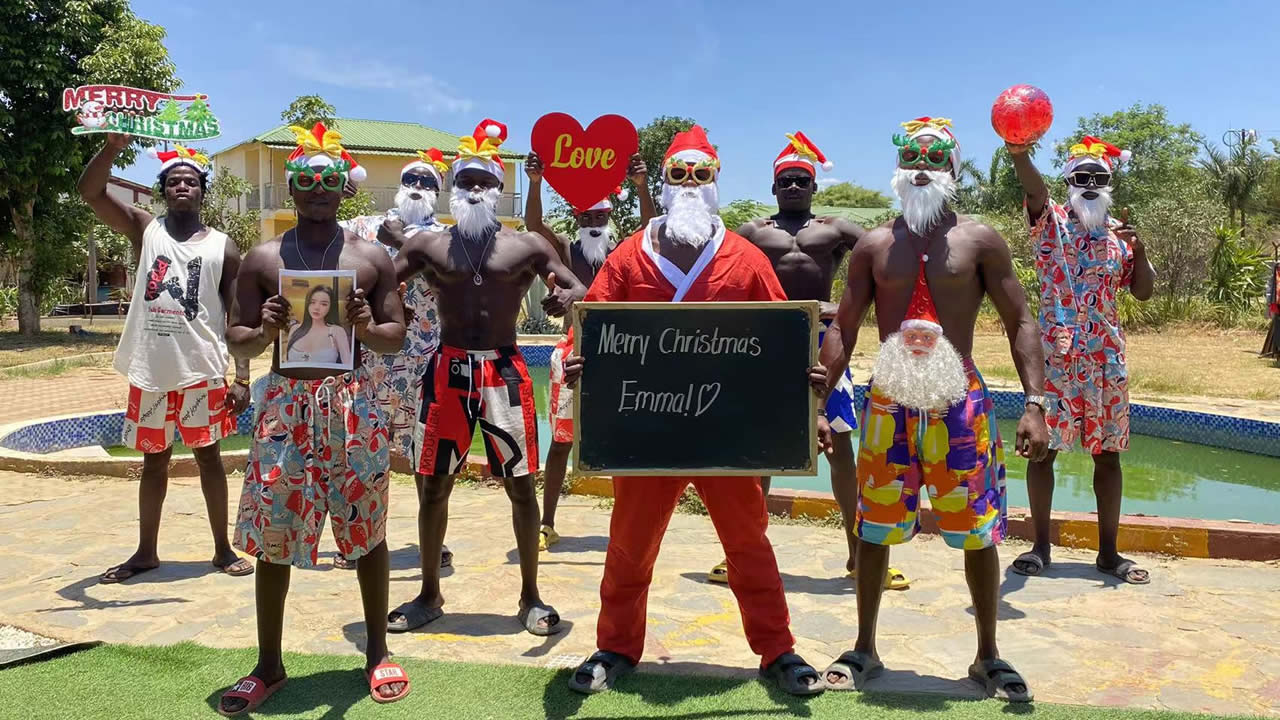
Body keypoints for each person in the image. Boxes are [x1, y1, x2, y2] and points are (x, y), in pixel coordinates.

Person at [560, 126, 828, 697]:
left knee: (748, 541)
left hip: (723, 433)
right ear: (662, 182)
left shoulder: (746, 259)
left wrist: (806, 386)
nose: (688, 183)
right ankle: (615, 644)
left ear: (714, 183)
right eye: (678, 173)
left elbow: (782, 337)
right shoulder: (629, 255)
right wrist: (582, 365)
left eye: (699, 174)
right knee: (629, 541)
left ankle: (776, 649)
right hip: (646, 429)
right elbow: (592, 329)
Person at [818, 117, 1049, 702]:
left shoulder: (980, 240)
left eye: (936, 156)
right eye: (913, 156)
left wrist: (1035, 402)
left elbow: (1020, 319)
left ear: (952, 167)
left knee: (977, 531)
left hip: (960, 405)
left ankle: (988, 656)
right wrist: (820, 402)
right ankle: (865, 647)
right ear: (899, 170)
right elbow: (844, 327)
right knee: (873, 526)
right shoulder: (874, 244)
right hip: (888, 404)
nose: (923, 165)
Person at [220, 123, 410, 714]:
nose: (318, 189)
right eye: (306, 179)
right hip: (285, 406)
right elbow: (240, 342)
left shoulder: (371, 257)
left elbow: (393, 337)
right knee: (274, 530)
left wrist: (361, 325)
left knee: (367, 529)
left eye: (329, 180)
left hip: (354, 405)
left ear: (344, 188)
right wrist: (268, 329)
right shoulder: (262, 257)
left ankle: (377, 652)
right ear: (292, 187)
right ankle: (268, 665)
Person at [383, 118, 587, 635]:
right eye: (466, 182)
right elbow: (380, 279)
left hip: (504, 368)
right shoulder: (429, 245)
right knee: (433, 485)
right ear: (453, 190)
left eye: (484, 183)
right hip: (447, 367)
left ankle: (531, 597)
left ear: (499, 190)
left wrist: (567, 297)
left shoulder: (526, 246)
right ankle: (429, 593)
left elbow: (578, 287)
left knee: (520, 485)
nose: (474, 190)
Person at [721, 131, 908, 591]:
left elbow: (882, 256)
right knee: (758, 452)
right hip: (768, 345)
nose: (793, 187)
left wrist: (844, 306)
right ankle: (740, 556)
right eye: (785, 181)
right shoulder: (752, 232)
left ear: (813, 186)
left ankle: (858, 555)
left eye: (801, 180)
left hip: (827, 342)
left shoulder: (836, 229)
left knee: (840, 449)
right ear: (773, 187)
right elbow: (721, 270)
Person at [77, 135, 253, 584]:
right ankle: (146, 552)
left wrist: (243, 376)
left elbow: (234, 317)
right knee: (153, 461)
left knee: (209, 458)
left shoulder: (223, 247)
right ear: (162, 190)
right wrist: (114, 147)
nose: (182, 188)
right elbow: (90, 192)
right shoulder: (144, 229)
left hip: (202, 370)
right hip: (151, 370)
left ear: (202, 192)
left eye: (190, 182)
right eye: (173, 182)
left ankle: (220, 549)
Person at [1006, 136, 1156, 585]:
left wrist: (1141, 250)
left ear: (1110, 182)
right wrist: (1019, 154)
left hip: (1106, 361)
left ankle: (1108, 554)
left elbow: (1144, 291)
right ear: (1069, 181)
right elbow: (1033, 190)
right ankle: (1039, 547)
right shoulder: (1050, 224)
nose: (1090, 184)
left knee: (1108, 457)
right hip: (1056, 359)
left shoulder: (1119, 240)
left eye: (1099, 177)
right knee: (1042, 454)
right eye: (1081, 177)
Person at [523, 150, 656, 551]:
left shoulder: (627, 250)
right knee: (561, 441)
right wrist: (534, 182)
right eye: (586, 219)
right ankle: (546, 523)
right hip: (573, 350)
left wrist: (641, 186)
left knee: (621, 440)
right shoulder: (566, 250)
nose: (593, 225)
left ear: (609, 218)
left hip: (621, 353)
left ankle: (627, 525)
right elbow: (532, 226)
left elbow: (651, 225)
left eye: (599, 218)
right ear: (578, 221)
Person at [340, 148, 453, 570]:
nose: (419, 188)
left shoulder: (447, 240)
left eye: (428, 182)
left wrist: (402, 243)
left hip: (426, 362)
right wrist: (339, 193)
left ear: (438, 194)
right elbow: (321, 246)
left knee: (428, 457)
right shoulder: (361, 227)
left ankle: (431, 541)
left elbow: (453, 283)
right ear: (401, 186)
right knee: (364, 453)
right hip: (368, 360)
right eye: (413, 180)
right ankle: (362, 540)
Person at [284, 285, 352, 365]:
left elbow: (347, 366)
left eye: (323, 304)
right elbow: (285, 362)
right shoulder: (295, 329)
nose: (316, 307)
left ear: (331, 307)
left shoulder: (336, 331)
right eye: (312, 302)